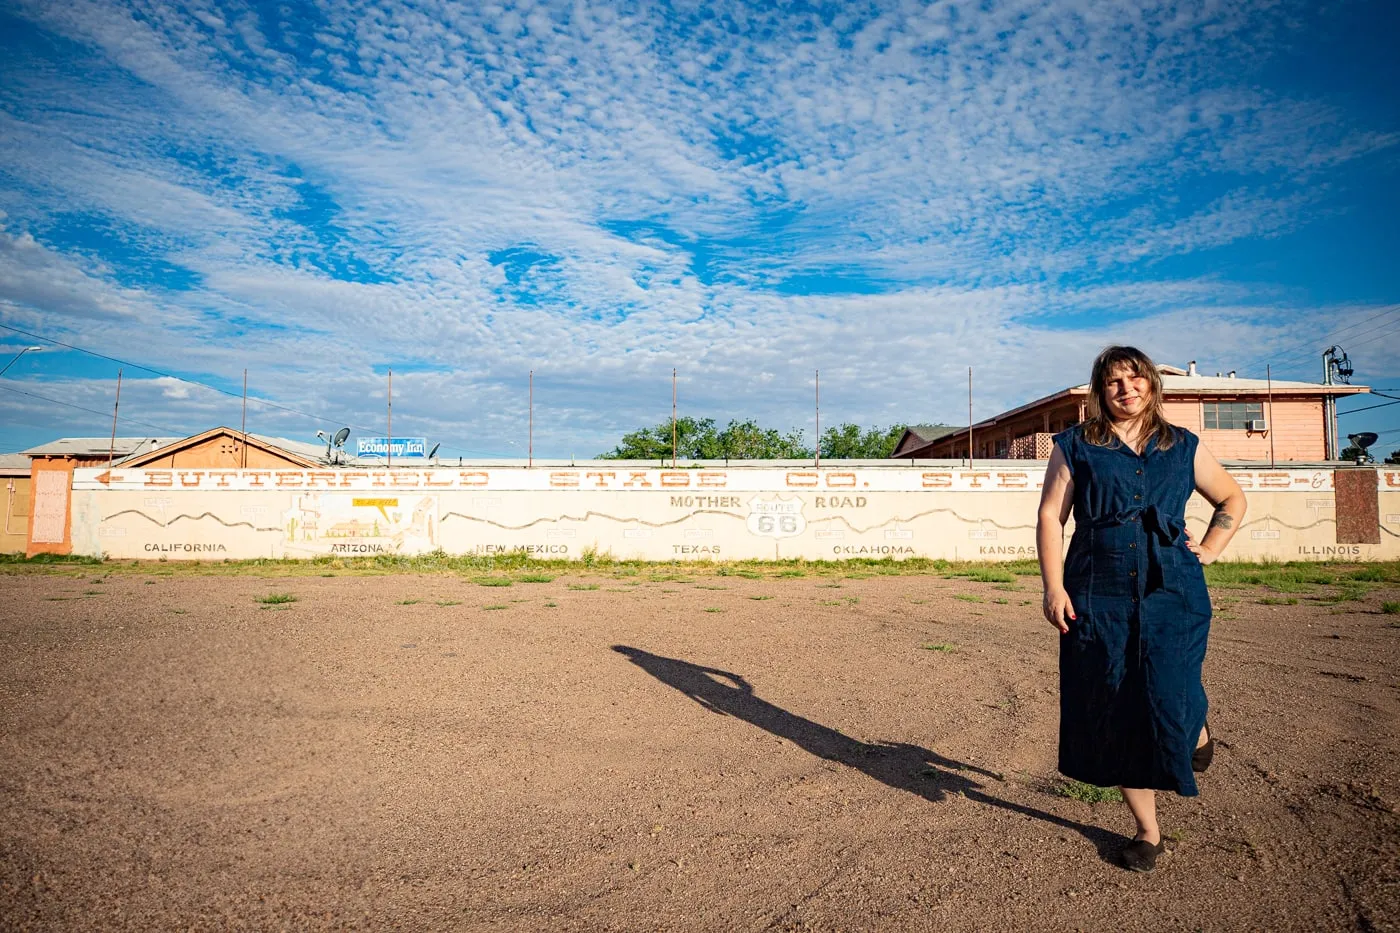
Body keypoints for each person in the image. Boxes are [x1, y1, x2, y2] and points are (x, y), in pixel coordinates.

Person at [1036, 346, 1246, 873]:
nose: (1125, 389)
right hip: (1095, 589)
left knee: (1172, 687)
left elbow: (1231, 499)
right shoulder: (1075, 446)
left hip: (1172, 588)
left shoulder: (1183, 446)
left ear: (1151, 385)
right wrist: (1053, 587)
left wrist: (1212, 547)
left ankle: (1194, 724)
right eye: (1113, 382)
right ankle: (1148, 832)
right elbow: (1049, 518)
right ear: (1099, 391)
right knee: (1117, 702)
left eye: (1135, 379)